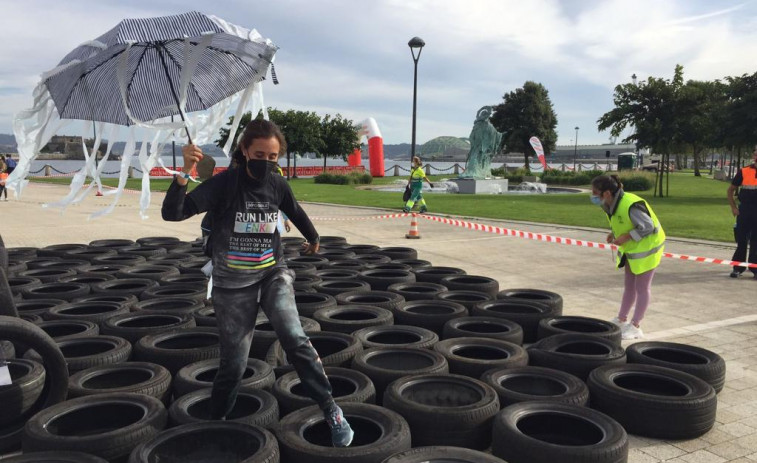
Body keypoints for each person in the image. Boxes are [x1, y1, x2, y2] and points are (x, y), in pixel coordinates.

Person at [161, 119, 354, 447]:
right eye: (260, 154)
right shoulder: (225, 184)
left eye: (273, 156)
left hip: (272, 274)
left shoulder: (277, 185)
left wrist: (314, 238)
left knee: (294, 336)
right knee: (234, 364)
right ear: (245, 151)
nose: (266, 161)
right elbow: (173, 214)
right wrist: (185, 173)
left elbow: (295, 210)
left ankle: (331, 408)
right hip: (232, 285)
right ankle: (216, 422)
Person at [591, 174, 666, 340]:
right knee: (629, 286)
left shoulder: (630, 204)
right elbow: (624, 222)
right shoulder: (612, 204)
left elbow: (648, 226)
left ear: (607, 193)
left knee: (642, 288)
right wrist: (614, 233)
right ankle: (622, 319)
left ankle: (636, 325)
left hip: (648, 248)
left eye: (596, 192)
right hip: (633, 249)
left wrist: (626, 237)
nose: (593, 196)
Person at [727, 147, 757, 279]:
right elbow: (730, 190)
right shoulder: (744, 171)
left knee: (756, 241)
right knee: (741, 240)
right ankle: (738, 268)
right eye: (755, 154)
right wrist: (734, 207)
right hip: (744, 210)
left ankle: (755, 268)